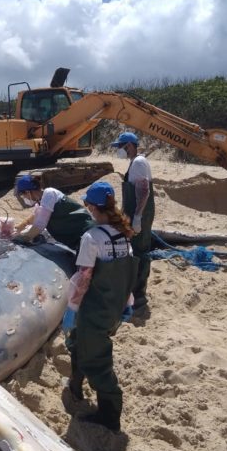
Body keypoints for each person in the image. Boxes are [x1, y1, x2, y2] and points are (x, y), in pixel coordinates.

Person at [62, 181, 138, 432]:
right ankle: (75, 386)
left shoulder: (91, 237)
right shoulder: (123, 234)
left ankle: (109, 414)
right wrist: (127, 302)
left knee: (97, 360)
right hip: (114, 305)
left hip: (94, 308)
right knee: (78, 343)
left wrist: (72, 309)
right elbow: (126, 274)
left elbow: (84, 277)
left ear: (93, 208)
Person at [111, 131, 155, 312]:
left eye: (120, 147)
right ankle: (134, 292)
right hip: (136, 214)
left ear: (129, 146)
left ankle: (139, 298)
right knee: (135, 251)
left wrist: (137, 217)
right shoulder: (135, 162)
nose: (119, 150)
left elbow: (143, 191)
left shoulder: (138, 163)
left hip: (141, 215)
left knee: (139, 253)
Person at [10, 174, 95, 252]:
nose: (24, 198)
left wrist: (22, 238)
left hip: (87, 234)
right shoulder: (42, 201)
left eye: (23, 195)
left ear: (28, 192)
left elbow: (40, 224)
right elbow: (36, 216)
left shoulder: (49, 194)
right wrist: (19, 227)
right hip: (79, 238)